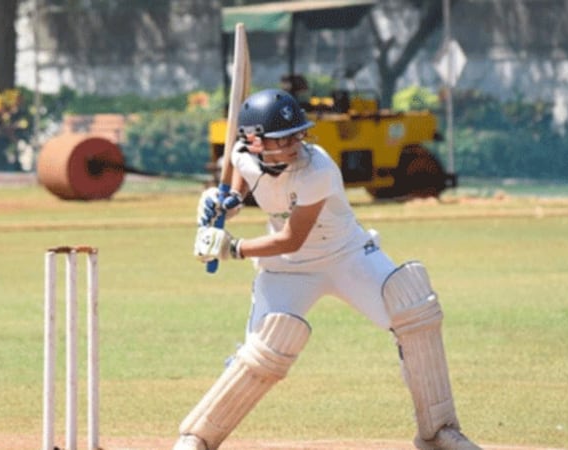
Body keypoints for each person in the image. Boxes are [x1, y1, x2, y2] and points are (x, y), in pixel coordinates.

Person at [175, 89, 480, 450]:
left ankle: (439, 431)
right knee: (262, 352)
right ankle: (198, 437)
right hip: (288, 271)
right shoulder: (242, 154)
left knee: (414, 310)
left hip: (348, 256)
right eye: (282, 139)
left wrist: (233, 247)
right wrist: (224, 201)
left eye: (296, 135)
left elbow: (292, 237)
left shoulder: (315, 169)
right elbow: (239, 178)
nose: (293, 146)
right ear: (254, 141)